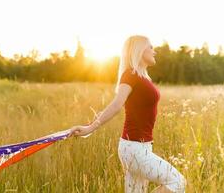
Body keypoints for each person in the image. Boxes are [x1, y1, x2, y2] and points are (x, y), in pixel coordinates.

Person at [68, 35, 187, 193]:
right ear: (139, 50)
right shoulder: (130, 75)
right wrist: (90, 128)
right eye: (150, 47)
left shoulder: (142, 76)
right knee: (177, 182)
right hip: (134, 149)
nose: (154, 51)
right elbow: (117, 103)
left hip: (142, 147)